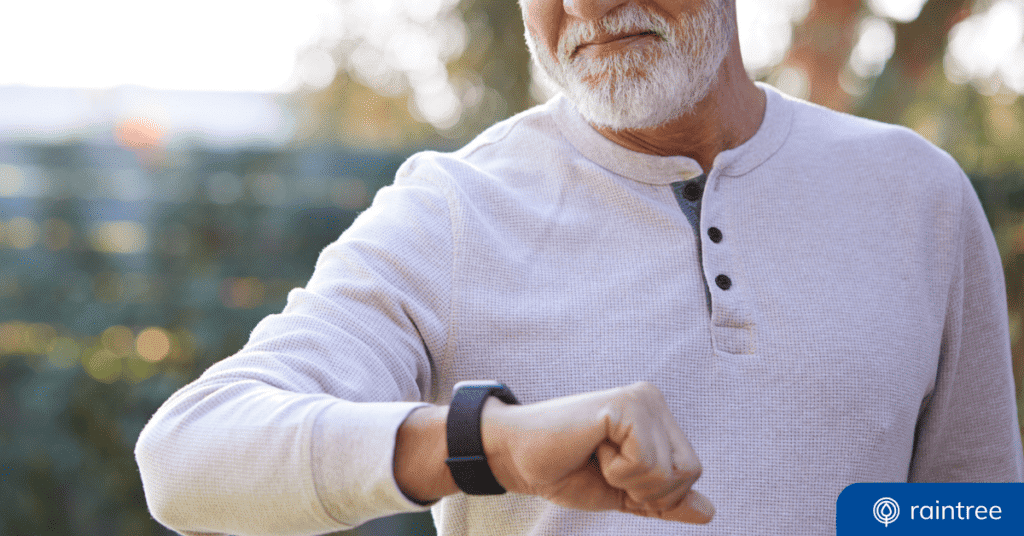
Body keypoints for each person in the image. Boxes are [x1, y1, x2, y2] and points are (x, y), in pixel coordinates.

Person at [135, 0, 1024, 535]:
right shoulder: (452, 210)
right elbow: (187, 456)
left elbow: (977, 510)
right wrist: (490, 442)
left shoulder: (919, 196)